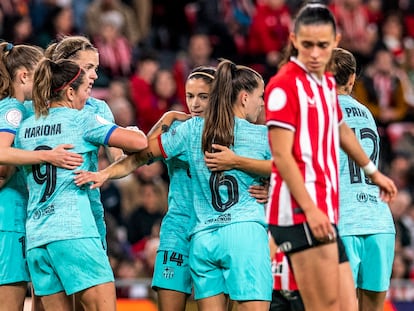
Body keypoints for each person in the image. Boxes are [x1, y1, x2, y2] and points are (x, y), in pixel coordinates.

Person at [76, 59, 273, 310]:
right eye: (190, 96)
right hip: (192, 229)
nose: (195, 103)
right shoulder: (257, 135)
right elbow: (294, 168)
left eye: (203, 96)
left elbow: (140, 154)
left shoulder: (189, 130)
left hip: (204, 232)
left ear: (221, 97)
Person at [264, 3, 397, 311]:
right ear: (294, 40)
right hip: (297, 214)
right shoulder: (283, 87)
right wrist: (311, 210)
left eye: (322, 45)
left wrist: (373, 172)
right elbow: (283, 158)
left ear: (335, 41)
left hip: (328, 214)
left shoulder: (323, 85)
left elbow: (341, 129)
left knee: (343, 306)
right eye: (307, 45)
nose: (314, 53)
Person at [13, 58, 147, 310]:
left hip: (37, 237)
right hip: (73, 231)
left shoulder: (24, 128)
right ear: (70, 91)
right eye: (86, 89)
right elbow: (138, 143)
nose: (89, 97)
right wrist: (135, 131)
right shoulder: (81, 119)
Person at [0, 42, 83, 311]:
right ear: (24, 76)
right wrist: (47, 156)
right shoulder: (15, 109)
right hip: (9, 220)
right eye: (40, 75)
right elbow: (1, 158)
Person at [327, 47, 396, 311]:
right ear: (352, 78)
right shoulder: (366, 113)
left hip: (343, 219)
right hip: (379, 220)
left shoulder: (322, 112)